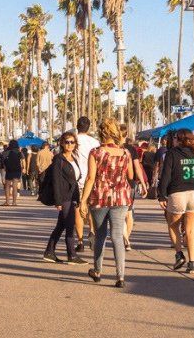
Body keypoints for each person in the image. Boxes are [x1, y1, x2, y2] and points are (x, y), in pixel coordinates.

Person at [79, 119, 134, 288]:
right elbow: (131, 176)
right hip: (121, 197)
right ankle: (120, 276)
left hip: (100, 197)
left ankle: (97, 271)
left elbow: (90, 178)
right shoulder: (126, 153)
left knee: (100, 235)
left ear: (102, 132)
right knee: (117, 235)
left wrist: (83, 201)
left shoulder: (96, 153)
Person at [158, 128, 194, 273]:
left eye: (175, 137)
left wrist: (161, 195)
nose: (173, 140)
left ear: (179, 139)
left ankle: (179, 254)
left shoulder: (172, 154)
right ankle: (192, 263)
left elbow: (166, 176)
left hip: (177, 193)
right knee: (192, 230)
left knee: (173, 225)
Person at [43, 131, 84, 264]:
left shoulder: (74, 159)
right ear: (61, 143)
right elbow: (56, 181)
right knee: (69, 226)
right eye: (67, 142)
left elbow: (74, 181)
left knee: (61, 225)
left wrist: (77, 198)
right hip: (64, 197)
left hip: (72, 196)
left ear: (75, 144)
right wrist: (58, 201)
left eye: (72, 142)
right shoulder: (58, 159)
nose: (69, 144)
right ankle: (72, 255)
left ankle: (49, 252)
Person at [73, 116, 100, 250]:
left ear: (77, 126)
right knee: (91, 209)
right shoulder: (95, 142)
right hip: (92, 179)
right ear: (88, 127)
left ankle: (80, 242)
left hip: (77, 180)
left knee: (78, 210)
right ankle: (92, 232)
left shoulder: (73, 141)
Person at [1, 139, 24, 206]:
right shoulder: (19, 152)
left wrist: (5, 168)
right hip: (17, 170)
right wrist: (23, 168)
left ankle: (7, 202)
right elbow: (23, 161)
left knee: (7, 186)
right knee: (15, 186)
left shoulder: (6, 152)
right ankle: (14, 202)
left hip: (9, 170)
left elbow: (3, 161)